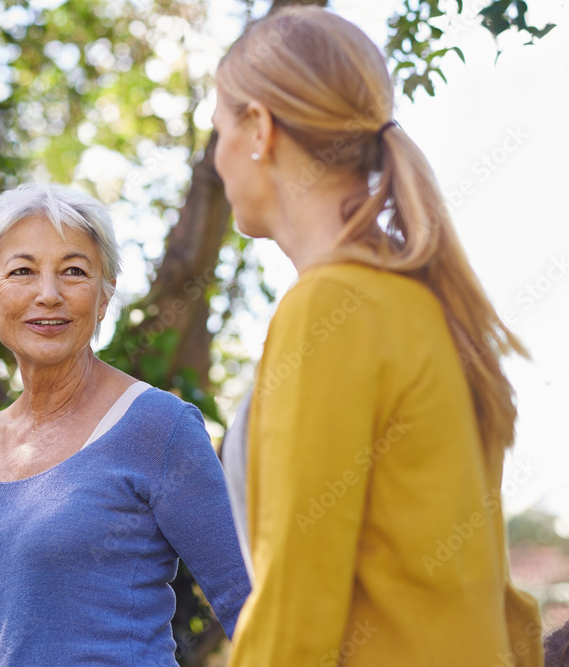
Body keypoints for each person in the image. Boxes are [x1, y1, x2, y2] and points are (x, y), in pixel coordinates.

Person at [211, 7, 542, 666]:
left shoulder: (330, 309)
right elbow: (498, 601)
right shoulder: (426, 307)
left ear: (258, 129)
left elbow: (294, 615)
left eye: (215, 128)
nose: (216, 156)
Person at [0, 184, 251, 666]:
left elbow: (248, 601)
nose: (49, 295)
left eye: (73, 271)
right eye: (22, 271)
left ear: (104, 298)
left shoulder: (159, 426)